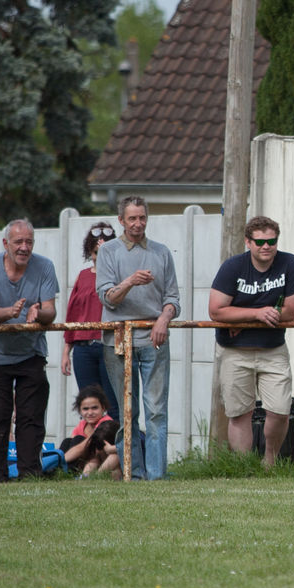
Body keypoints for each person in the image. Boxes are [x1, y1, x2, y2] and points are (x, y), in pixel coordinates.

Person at [208, 215, 294, 468]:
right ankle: (245, 468)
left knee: (280, 410)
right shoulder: (232, 267)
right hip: (234, 350)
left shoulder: (291, 264)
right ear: (248, 242)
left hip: (273, 349)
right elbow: (216, 310)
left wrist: (240, 317)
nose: (266, 247)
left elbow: (291, 311)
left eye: (271, 242)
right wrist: (256, 314)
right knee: (239, 413)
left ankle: (269, 461)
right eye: (260, 242)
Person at [95, 196, 180, 480]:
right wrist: (131, 281)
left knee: (156, 411)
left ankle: (156, 476)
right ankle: (133, 473)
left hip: (154, 339)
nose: (138, 223)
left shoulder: (162, 252)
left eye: (142, 217)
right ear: (121, 220)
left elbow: (172, 299)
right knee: (127, 412)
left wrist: (164, 319)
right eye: (132, 218)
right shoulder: (108, 251)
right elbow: (107, 298)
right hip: (118, 340)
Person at [0, 219, 58, 480]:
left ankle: (30, 473)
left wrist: (38, 313)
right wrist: (10, 313)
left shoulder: (45, 266)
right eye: (18, 242)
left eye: (29, 242)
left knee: (31, 416)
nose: (24, 247)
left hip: (31, 352)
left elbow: (51, 311)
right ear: (6, 244)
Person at [62, 221, 119, 414]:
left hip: (109, 345)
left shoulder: (118, 275)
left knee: (112, 405)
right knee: (88, 405)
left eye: (105, 252)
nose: (99, 257)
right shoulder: (83, 276)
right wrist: (66, 351)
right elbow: (73, 313)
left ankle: (113, 435)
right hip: (83, 347)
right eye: (96, 252)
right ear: (89, 252)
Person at [60, 385, 120, 478]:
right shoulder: (83, 424)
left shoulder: (105, 424)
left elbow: (81, 448)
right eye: (85, 409)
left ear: (103, 408)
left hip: (102, 463)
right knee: (67, 441)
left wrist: (58, 460)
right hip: (88, 461)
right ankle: (61, 471)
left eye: (94, 408)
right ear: (80, 410)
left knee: (79, 440)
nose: (90, 412)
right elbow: (70, 443)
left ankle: (66, 471)